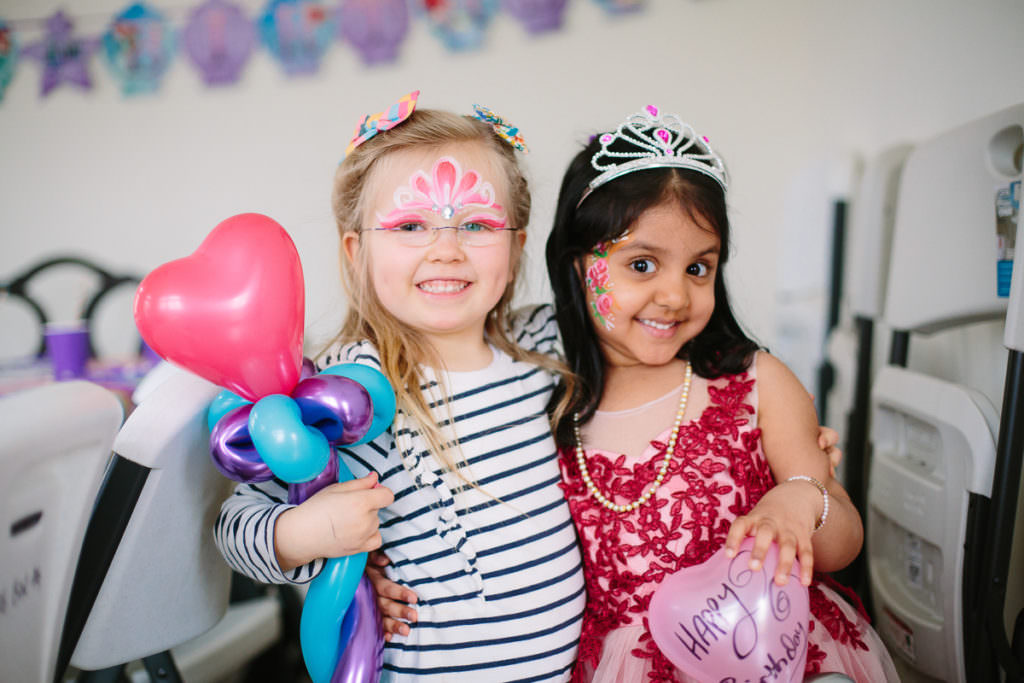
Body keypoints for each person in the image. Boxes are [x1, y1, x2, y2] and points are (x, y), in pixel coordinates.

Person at [213, 92, 587, 681]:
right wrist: (305, 534)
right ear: (356, 251)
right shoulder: (345, 395)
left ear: (516, 249)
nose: (446, 248)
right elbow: (234, 528)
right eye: (411, 224)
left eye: (476, 223)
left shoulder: (546, 346)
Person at [540, 106, 899, 682]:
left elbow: (842, 548)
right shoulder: (550, 406)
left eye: (699, 268)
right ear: (578, 266)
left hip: (774, 648)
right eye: (641, 264)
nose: (676, 296)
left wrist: (804, 498)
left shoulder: (755, 382)